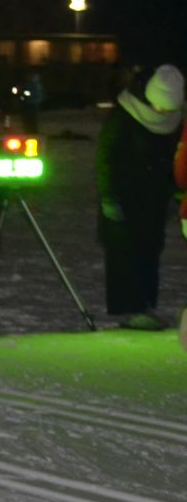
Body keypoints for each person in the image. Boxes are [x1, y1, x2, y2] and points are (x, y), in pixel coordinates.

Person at [95, 65, 183, 330]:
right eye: (160, 108)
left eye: (169, 110)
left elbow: (172, 160)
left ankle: (146, 305)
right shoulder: (123, 116)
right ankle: (128, 308)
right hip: (123, 196)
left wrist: (174, 191)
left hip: (154, 198)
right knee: (124, 253)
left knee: (150, 250)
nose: (163, 114)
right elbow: (106, 158)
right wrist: (109, 196)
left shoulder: (174, 123)